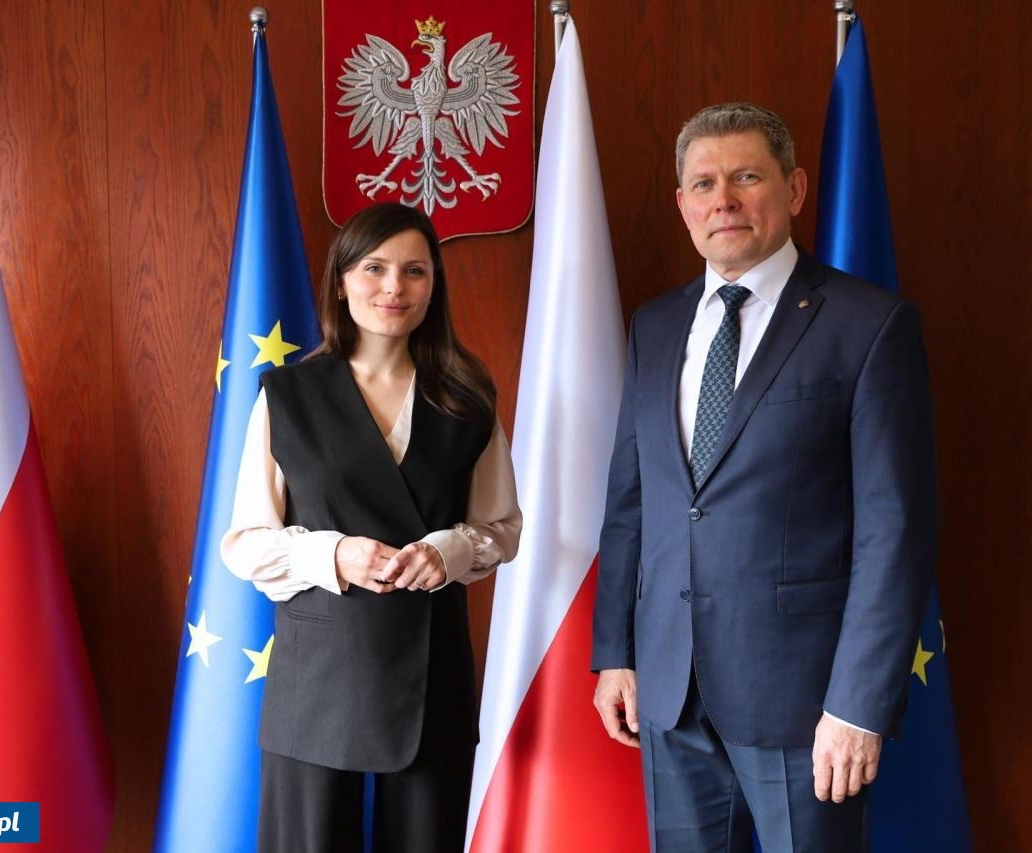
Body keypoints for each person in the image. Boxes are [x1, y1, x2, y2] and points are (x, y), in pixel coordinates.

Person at [591, 103, 937, 852]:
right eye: (704, 183)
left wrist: (858, 703)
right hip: (669, 691)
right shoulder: (655, 325)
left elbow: (894, 532)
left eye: (747, 177)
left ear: (795, 188)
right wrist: (615, 651)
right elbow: (632, 503)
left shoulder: (868, 324)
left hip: (807, 704)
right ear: (682, 204)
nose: (724, 200)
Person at [221, 202, 521, 853]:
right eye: (375, 268)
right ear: (341, 281)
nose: (394, 287)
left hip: (431, 680)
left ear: (433, 286)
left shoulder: (468, 397)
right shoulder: (287, 395)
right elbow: (244, 543)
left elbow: (501, 526)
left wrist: (448, 550)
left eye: (415, 271)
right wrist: (333, 555)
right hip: (316, 685)